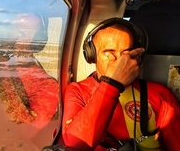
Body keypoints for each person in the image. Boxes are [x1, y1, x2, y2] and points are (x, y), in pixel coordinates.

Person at [61, 17, 180, 150]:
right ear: (92, 55)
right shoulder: (78, 91)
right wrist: (113, 83)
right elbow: (75, 144)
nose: (120, 62)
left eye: (126, 53)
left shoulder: (161, 96)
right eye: (109, 53)